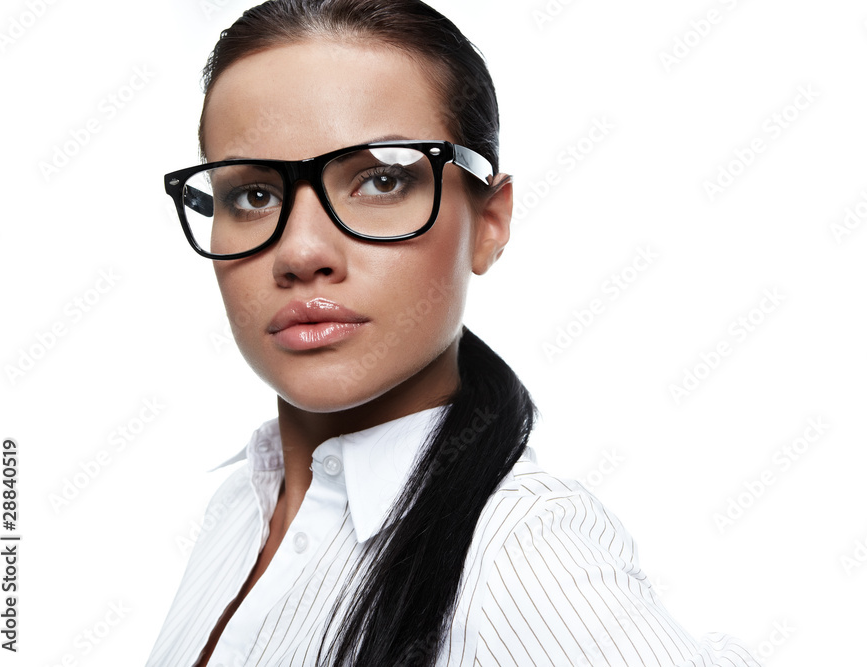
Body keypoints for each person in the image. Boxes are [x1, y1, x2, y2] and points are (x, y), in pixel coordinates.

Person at [148, 1, 761, 665]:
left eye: (380, 180)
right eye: (254, 195)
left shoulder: (520, 549)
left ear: (489, 222)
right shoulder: (240, 504)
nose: (300, 251)